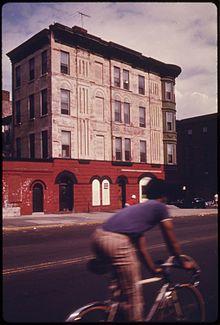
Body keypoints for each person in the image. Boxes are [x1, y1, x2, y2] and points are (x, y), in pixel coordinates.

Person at [91, 178, 196, 322]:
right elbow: (170, 239)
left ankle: (113, 314)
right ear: (164, 195)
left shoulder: (140, 209)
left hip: (98, 237)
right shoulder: (160, 208)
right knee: (133, 297)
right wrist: (182, 262)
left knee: (120, 294)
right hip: (115, 241)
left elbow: (141, 246)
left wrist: (152, 268)